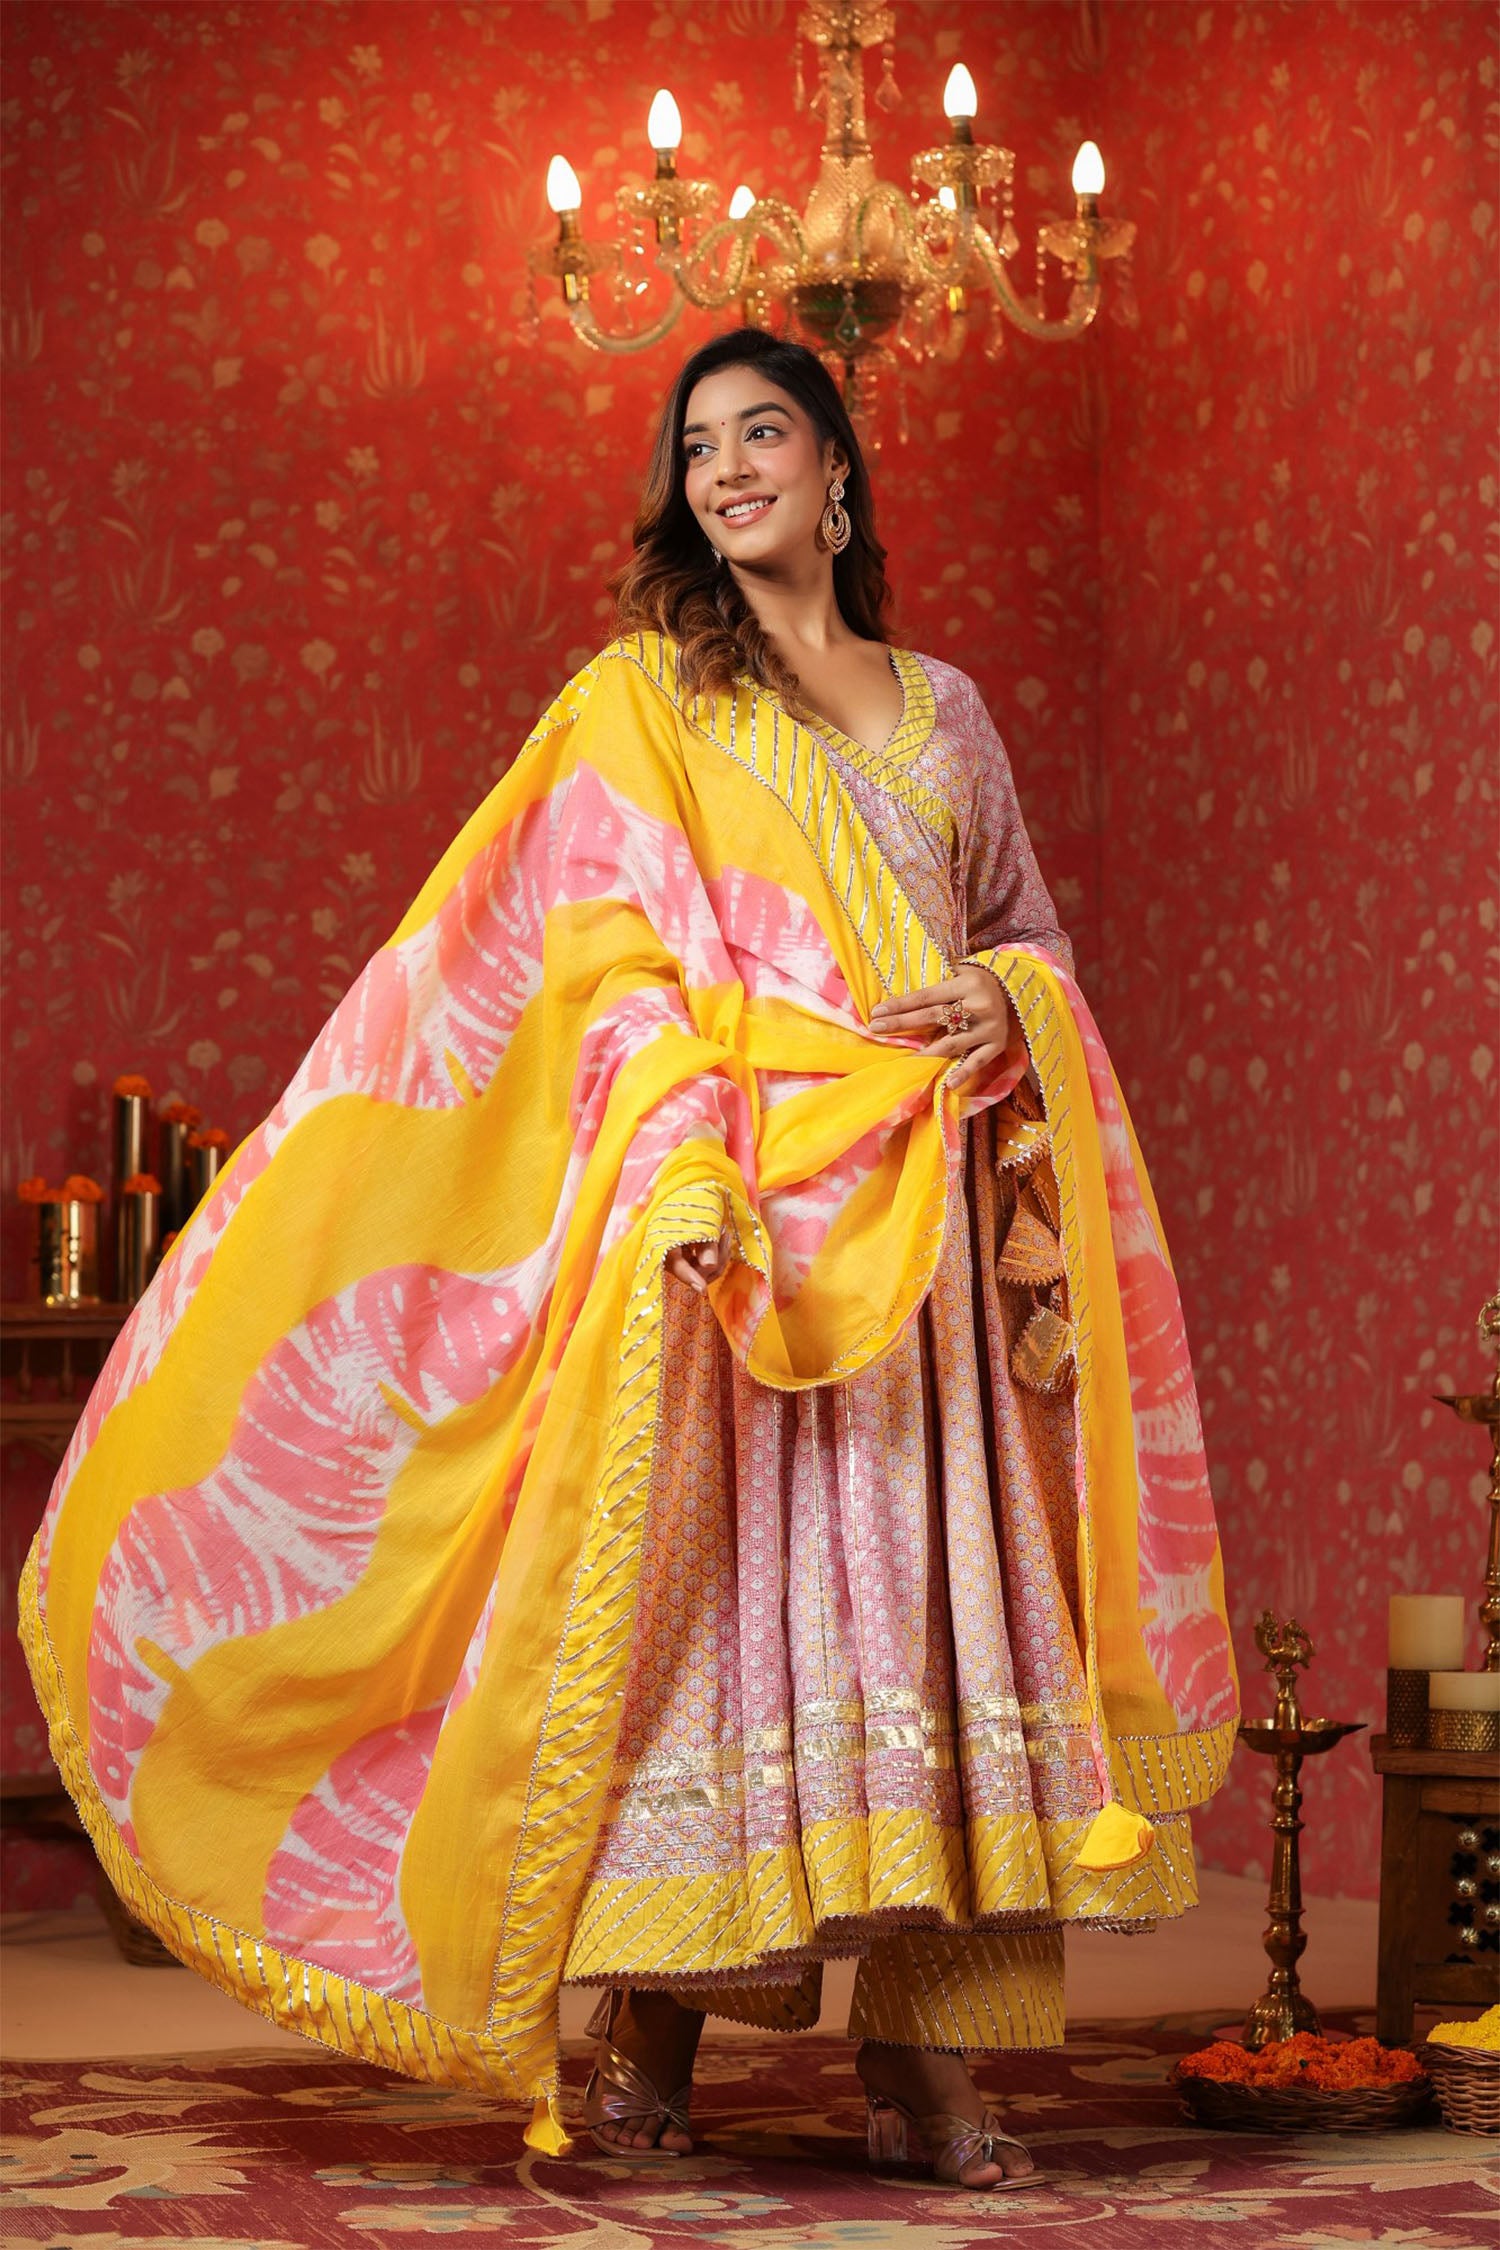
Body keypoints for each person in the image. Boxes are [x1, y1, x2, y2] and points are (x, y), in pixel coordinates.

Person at [22, 329, 1237, 2197]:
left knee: (936, 1623)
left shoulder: (949, 710)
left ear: (839, 471)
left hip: (923, 1236)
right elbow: (597, 952)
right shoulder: (652, 700)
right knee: (720, 1632)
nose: (728, 469)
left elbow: (1030, 934)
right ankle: (655, 2019)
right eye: (698, 447)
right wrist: (679, 1153)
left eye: (765, 434)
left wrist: (1007, 1004)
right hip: (743, 1228)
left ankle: (927, 2045)